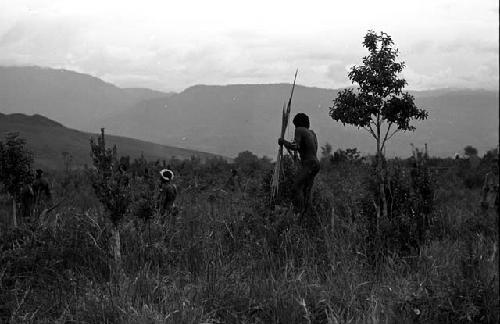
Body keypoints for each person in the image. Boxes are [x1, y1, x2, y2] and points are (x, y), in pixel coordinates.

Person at [278, 112, 320, 214]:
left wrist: (283, 141)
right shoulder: (312, 133)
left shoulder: (299, 130)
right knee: (307, 191)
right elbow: (308, 149)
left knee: (296, 187)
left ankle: (299, 214)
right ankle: (309, 216)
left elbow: (295, 146)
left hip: (309, 164)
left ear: (297, 123)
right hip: (316, 164)